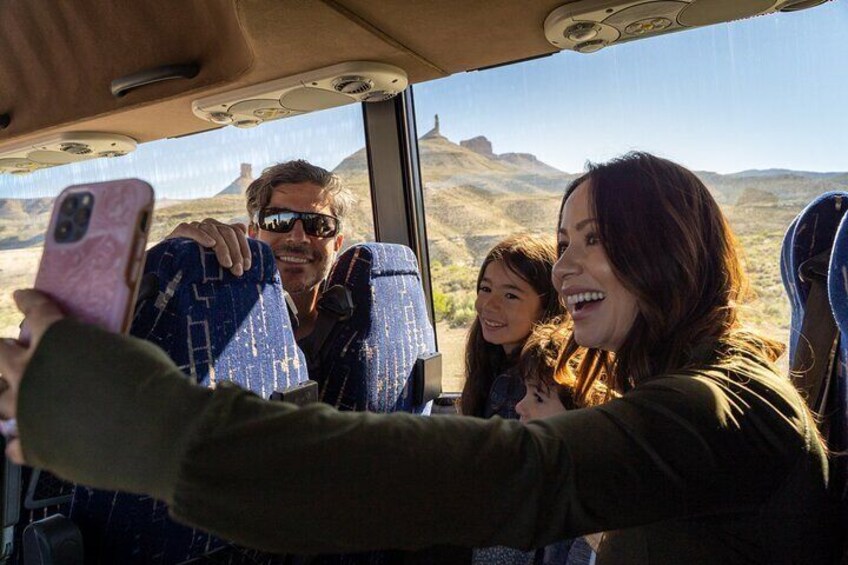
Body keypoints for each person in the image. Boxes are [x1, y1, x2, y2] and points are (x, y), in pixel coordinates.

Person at [0, 152, 840, 563]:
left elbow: (513, 476)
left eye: (597, 240)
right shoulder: (697, 391)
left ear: (670, 248)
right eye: (563, 242)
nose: (571, 266)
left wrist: (150, 425)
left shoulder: (722, 403)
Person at [165, 159, 355, 343]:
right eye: (278, 220)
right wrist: (169, 264)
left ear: (337, 243)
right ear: (254, 233)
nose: (297, 237)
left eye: (319, 225)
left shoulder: (360, 327)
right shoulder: (212, 320)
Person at [461, 234, 565, 420]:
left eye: (510, 296)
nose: (489, 305)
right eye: (486, 289)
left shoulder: (525, 385)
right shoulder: (496, 364)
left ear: (547, 306)